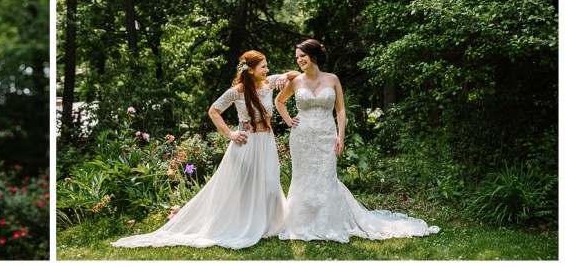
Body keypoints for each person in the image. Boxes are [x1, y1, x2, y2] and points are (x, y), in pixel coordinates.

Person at [112, 50, 298, 249]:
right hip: (247, 143)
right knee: (246, 186)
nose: (267, 69)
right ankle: (247, 225)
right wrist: (230, 134)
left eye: (267, 66)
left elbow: (296, 74)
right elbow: (214, 111)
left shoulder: (269, 83)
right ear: (250, 70)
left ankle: (269, 224)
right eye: (263, 66)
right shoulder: (237, 91)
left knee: (270, 183)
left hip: (266, 141)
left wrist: (285, 75)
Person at [274, 38, 440, 242]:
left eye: (303, 56)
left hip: (326, 135)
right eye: (297, 57)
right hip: (302, 137)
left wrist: (341, 136)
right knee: (303, 178)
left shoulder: (332, 79)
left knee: (326, 178)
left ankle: (327, 223)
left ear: (314, 55)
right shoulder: (295, 81)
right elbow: (279, 101)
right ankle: (302, 223)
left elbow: (340, 109)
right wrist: (289, 120)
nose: (299, 60)